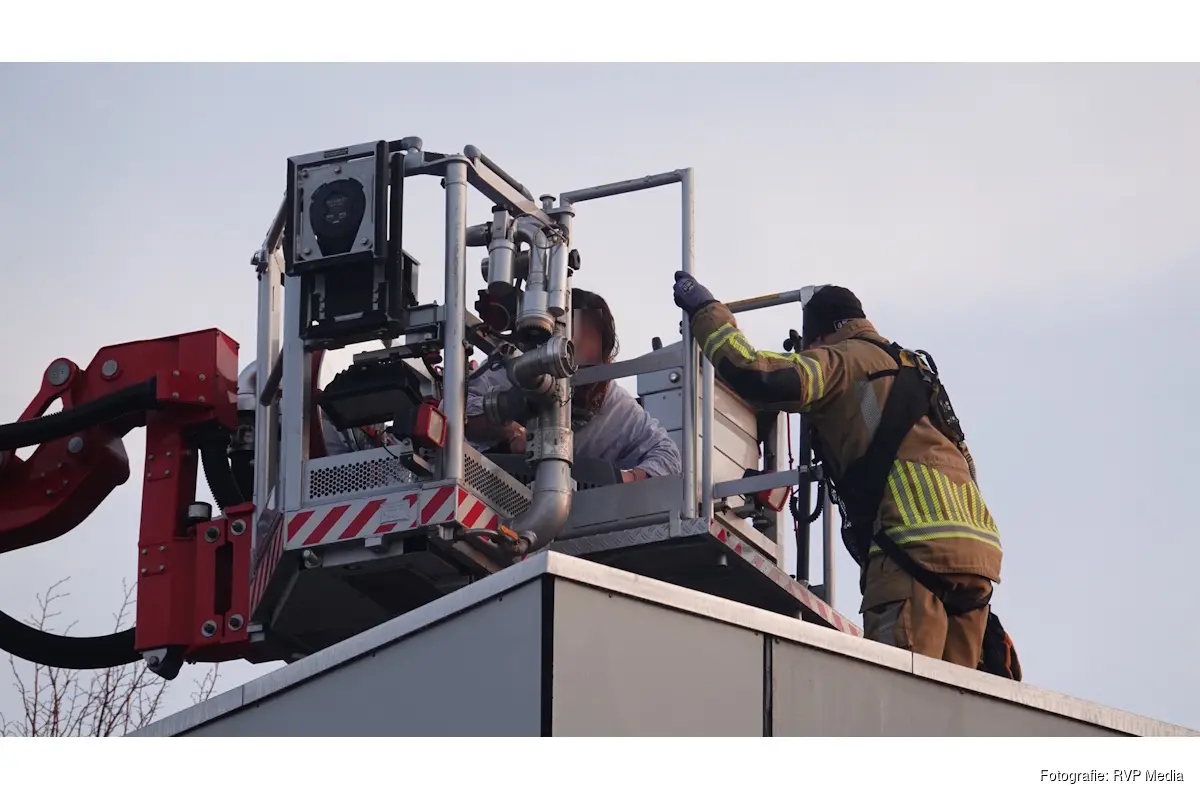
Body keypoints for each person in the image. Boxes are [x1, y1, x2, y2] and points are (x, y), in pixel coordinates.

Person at [671, 273, 1004, 671]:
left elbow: (758, 374)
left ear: (819, 338)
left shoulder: (843, 360)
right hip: (978, 557)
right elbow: (964, 458)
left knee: (903, 695)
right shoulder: (916, 368)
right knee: (955, 703)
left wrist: (707, 313)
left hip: (911, 550)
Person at [466, 287, 681, 483]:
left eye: (588, 342)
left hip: (575, 508)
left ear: (604, 355)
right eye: (570, 342)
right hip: (488, 486)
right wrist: (512, 432)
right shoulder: (518, 367)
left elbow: (667, 455)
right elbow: (461, 409)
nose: (574, 357)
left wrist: (623, 479)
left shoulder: (616, 407)